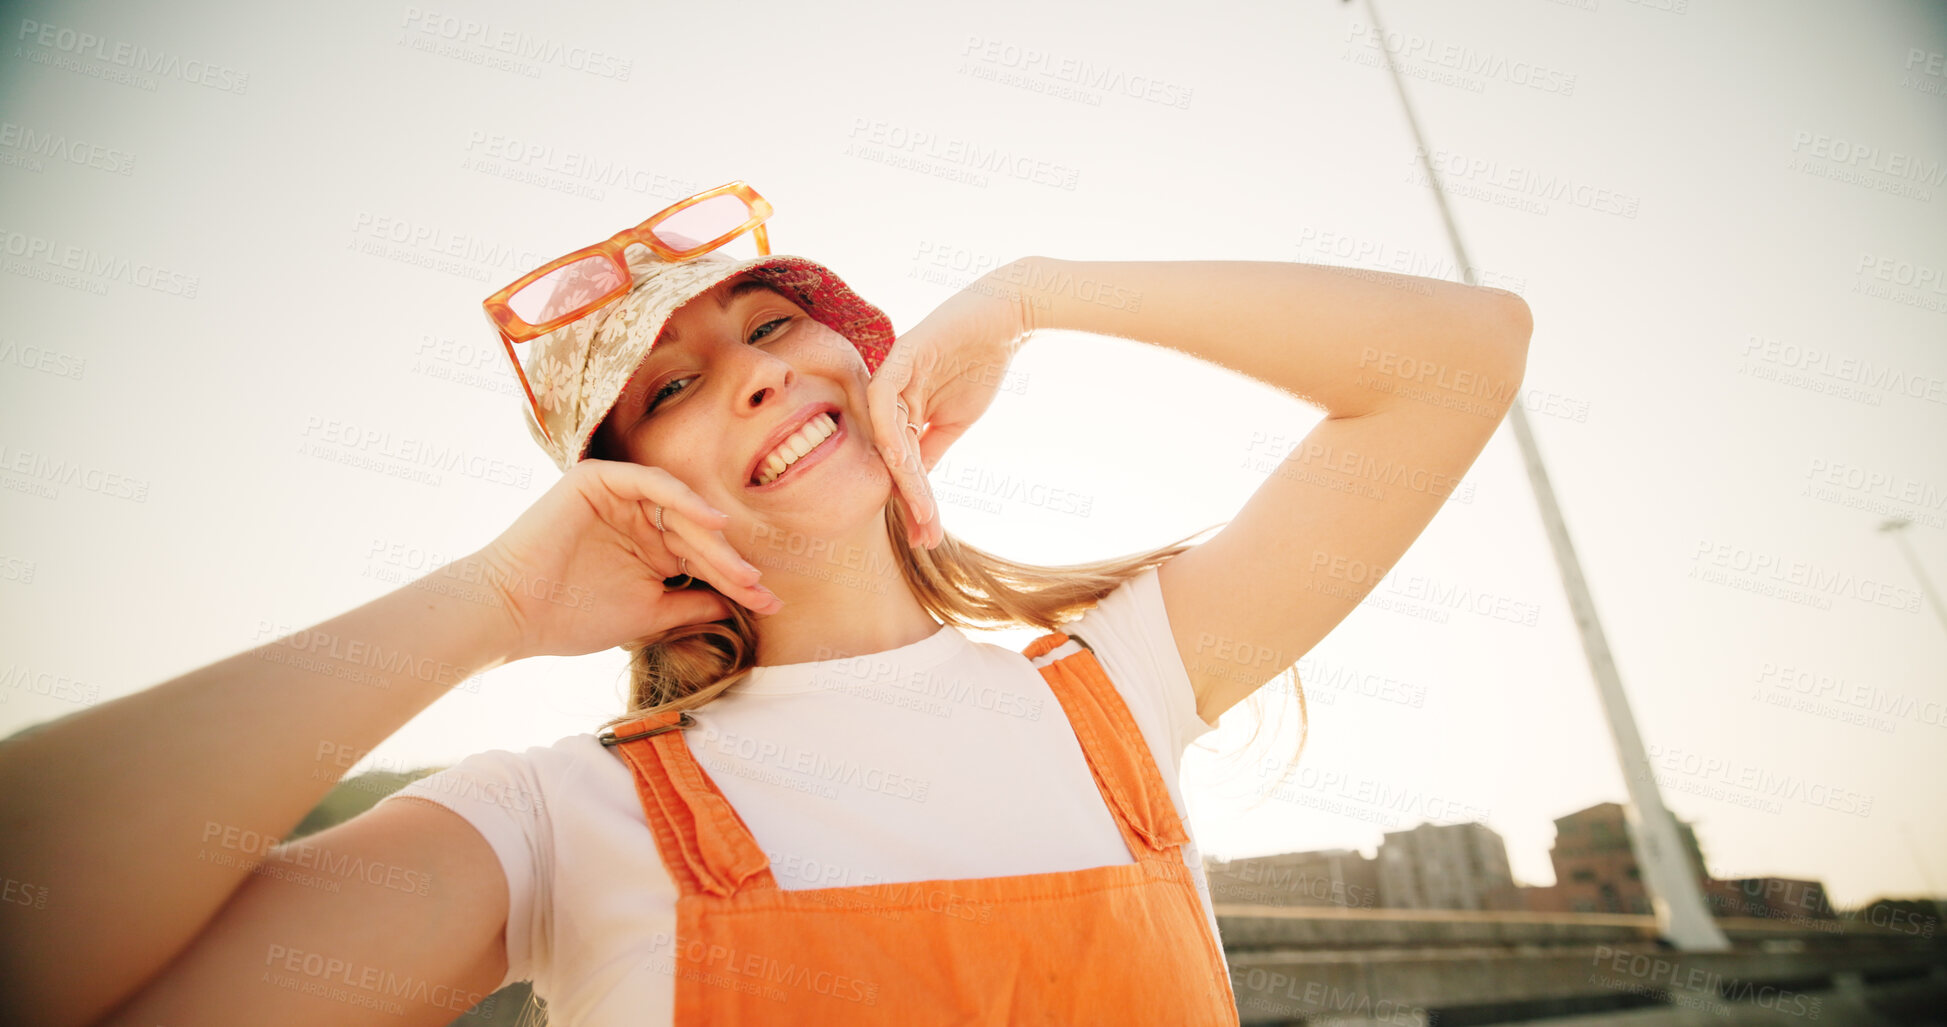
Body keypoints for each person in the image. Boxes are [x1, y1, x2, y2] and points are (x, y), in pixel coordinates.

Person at [0, 182, 1532, 1027]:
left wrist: (1034, 289)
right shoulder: (554, 825)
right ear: (622, 491)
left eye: (776, 320)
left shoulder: (1119, 688)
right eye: (673, 385)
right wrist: (488, 601)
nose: (756, 365)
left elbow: (1465, 355)